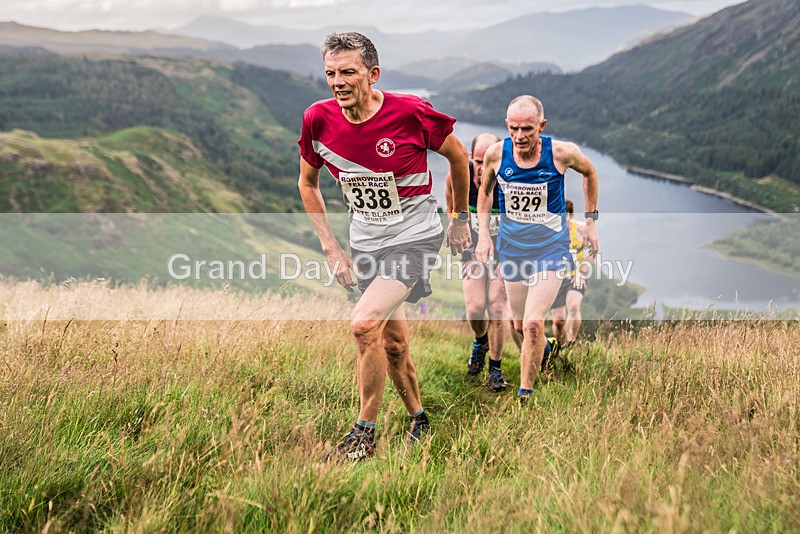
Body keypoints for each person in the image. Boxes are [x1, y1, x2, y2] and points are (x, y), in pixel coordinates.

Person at [297, 32, 471, 460]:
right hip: (365, 244)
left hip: (415, 235)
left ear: (372, 75)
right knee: (392, 343)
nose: (338, 81)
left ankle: (363, 434)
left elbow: (459, 157)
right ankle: (418, 418)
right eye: (330, 73)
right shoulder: (318, 120)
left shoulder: (410, 113)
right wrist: (332, 249)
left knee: (363, 324)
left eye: (349, 72)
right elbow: (307, 182)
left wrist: (460, 218)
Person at [474, 95, 599, 404]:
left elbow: (590, 173)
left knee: (532, 324)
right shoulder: (495, 155)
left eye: (527, 129)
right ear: (507, 125)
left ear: (542, 126)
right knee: (518, 324)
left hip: (551, 251)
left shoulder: (561, 153)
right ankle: (546, 352)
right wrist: (483, 236)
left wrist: (591, 222)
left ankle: (525, 394)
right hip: (512, 251)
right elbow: (486, 192)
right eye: (514, 128)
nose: (520, 137)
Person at [445, 133, 511, 391]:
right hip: (471, 251)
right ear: (470, 157)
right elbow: (454, 214)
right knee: (474, 308)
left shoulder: (508, 181)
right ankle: (480, 341)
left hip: (503, 253)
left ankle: (495, 369)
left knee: (495, 306)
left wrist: (504, 257)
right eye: (479, 161)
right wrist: (464, 245)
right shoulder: (457, 178)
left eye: (489, 160)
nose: (484, 168)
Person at [550, 199, 595, 347]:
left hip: (576, 276)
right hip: (555, 278)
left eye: (566, 215)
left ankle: (571, 343)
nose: (563, 219)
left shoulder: (580, 230)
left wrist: (582, 271)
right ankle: (560, 346)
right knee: (558, 320)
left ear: (571, 215)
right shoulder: (549, 232)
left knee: (574, 306)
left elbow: (593, 251)